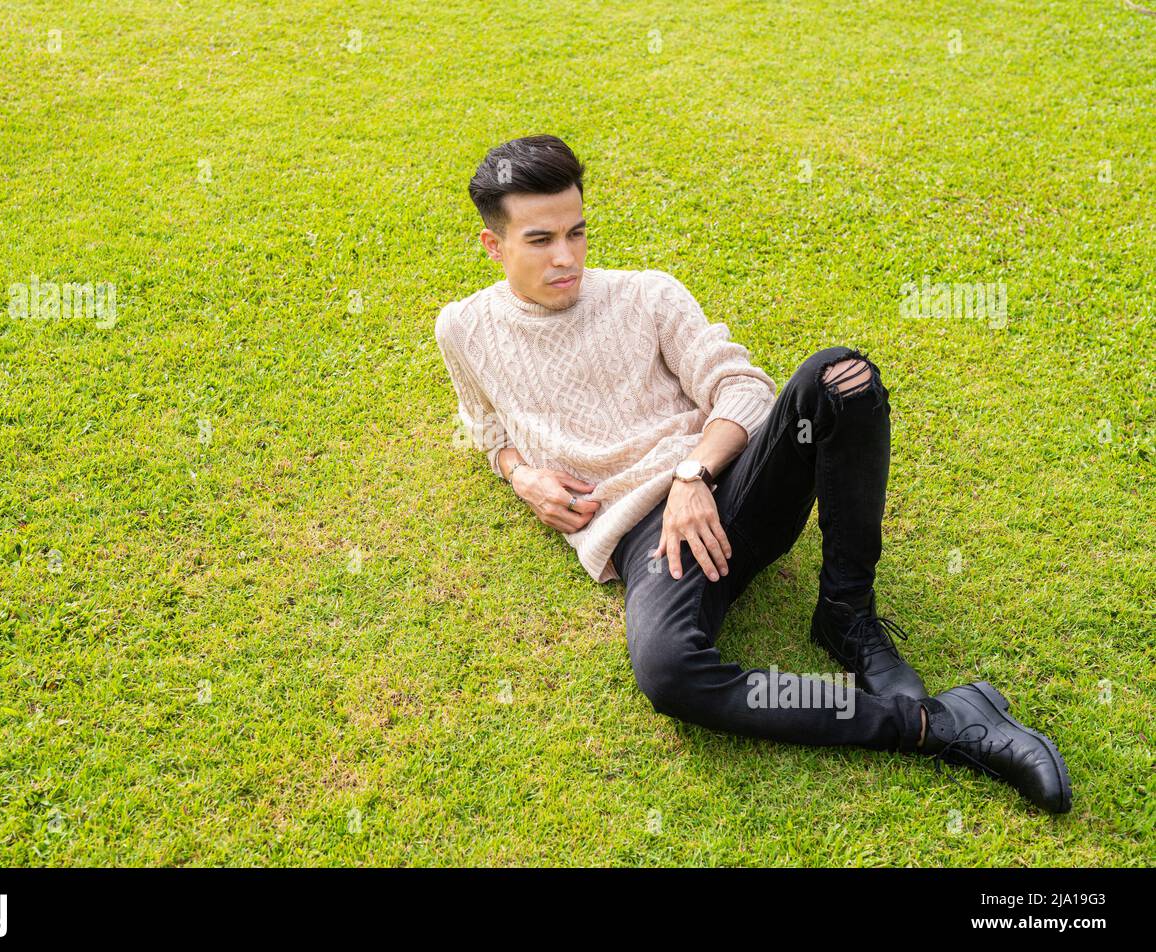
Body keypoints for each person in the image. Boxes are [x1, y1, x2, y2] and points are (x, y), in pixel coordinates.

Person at [433, 134, 1072, 814]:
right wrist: (521, 476)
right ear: (494, 245)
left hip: (730, 486)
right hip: (650, 547)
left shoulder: (647, 295)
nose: (567, 257)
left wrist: (692, 473)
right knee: (670, 672)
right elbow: (488, 428)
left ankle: (845, 615)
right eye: (540, 240)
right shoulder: (464, 329)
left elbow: (742, 391)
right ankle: (936, 724)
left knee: (841, 378)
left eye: (578, 231)